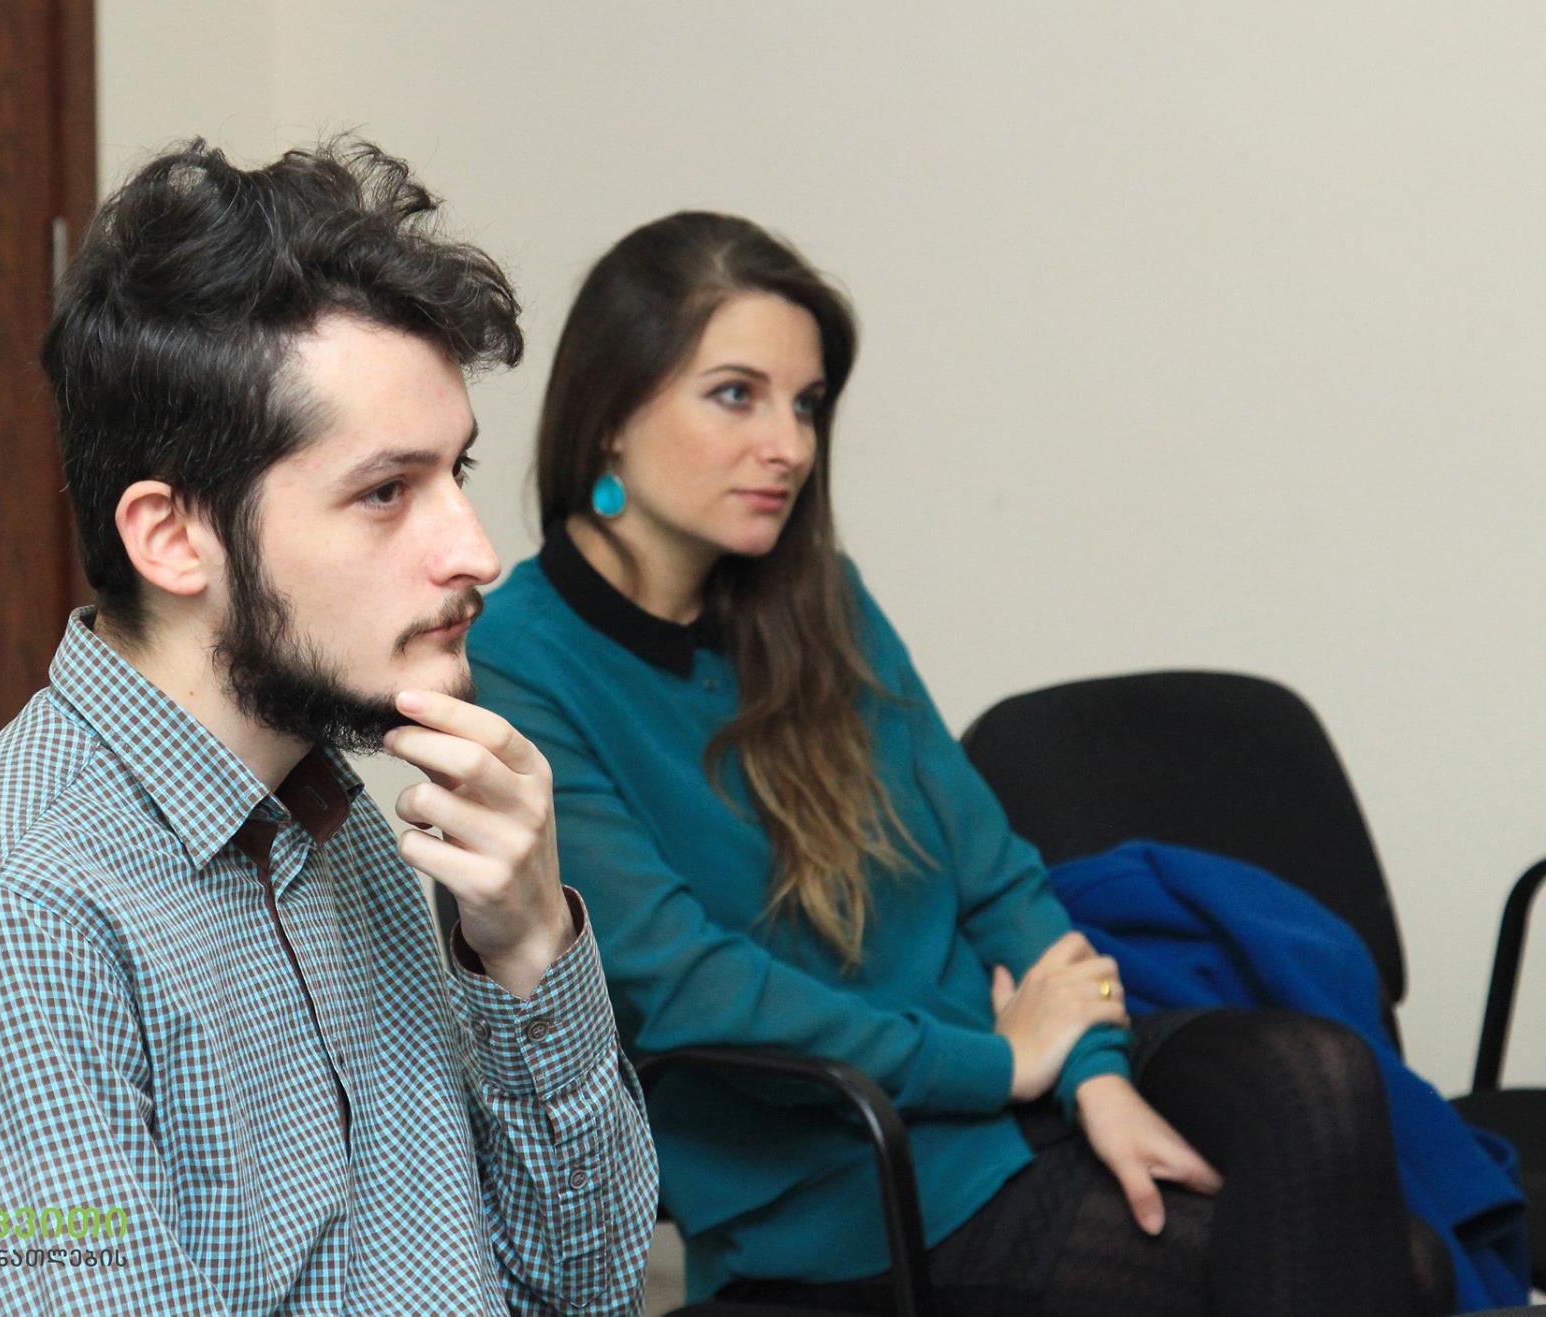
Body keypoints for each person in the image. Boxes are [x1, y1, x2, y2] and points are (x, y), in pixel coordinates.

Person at [469, 211, 1451, 1315]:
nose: (789, 445)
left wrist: (1094, 1076)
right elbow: (687, 990)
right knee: (1399, 1273)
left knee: (1317, 1078)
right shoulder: (519, 661)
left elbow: (992, 871)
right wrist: (1003, 1064)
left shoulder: (818, 600)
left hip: (1012, 1080)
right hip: (853, 1165)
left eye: (806, 404)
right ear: (609, 414)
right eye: (736, 395)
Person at [0, 138, 657, 1314]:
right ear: (171, 538)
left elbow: (585, 1288)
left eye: (455, 474)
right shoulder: (14, 913)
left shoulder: (332, 815)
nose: (475, 552)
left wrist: (526, 946)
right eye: (385, 492)